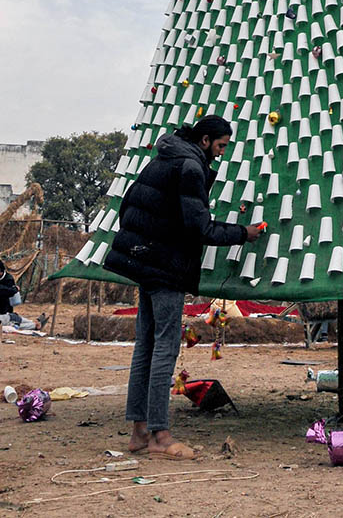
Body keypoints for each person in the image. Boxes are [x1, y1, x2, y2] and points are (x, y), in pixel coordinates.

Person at [105, 116, 264, 459]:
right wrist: (243, 233)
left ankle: (138, 432)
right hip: (166, 268)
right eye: (220, 146)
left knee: (144, 346)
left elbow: (128, 205)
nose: (221, 154)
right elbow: (199, 227)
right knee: (165, 347)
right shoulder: (190, 167)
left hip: (145, 264)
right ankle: (161, 436)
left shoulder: (164, 158)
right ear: (205, 140)